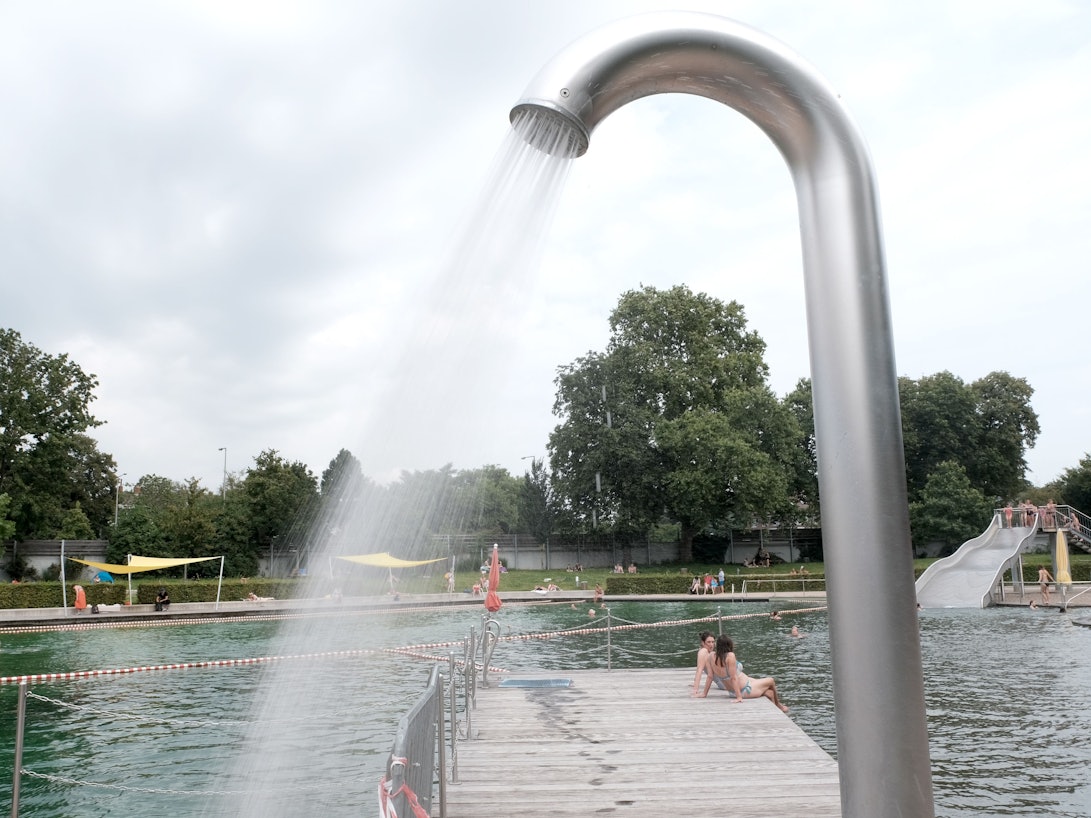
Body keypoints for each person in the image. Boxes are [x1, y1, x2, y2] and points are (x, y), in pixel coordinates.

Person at [699, 634, 789, 713]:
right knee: (771, 680)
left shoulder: (711, 656)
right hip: (745, 690)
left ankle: (775, 709)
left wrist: (704, 694)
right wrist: (739, 697)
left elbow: (710, 676)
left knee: (770, 692)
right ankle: (779, 706)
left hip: (732, 692)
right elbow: (733, 678)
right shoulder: (730, 656)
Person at [692, 631, 719, 696]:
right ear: (703, 643)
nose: (711, 644)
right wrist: (695, 689)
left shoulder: (709, 653)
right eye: (708, 642)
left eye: (713, 642)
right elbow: (699, 670)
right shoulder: (703, 651)